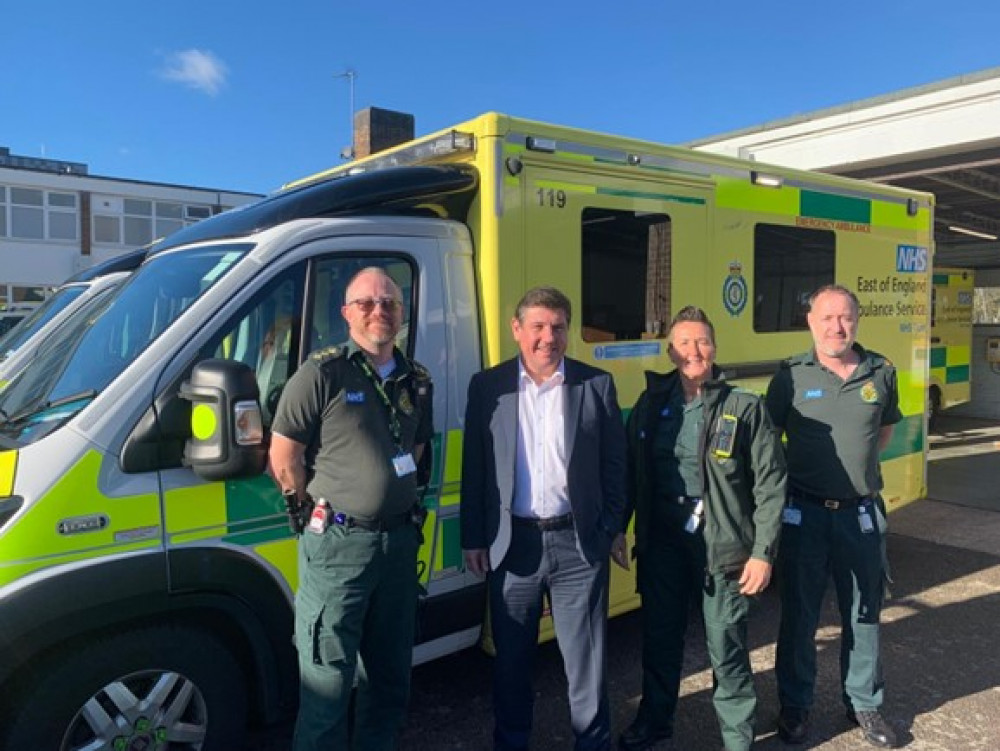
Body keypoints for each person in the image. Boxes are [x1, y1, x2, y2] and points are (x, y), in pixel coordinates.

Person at [269, 267, 433, 751]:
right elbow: (284, 457)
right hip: (338, 548)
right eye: (367, 303)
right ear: (346, 313)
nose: (379, 310)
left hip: (400, 545)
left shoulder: (417, 378)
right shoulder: (321, 374)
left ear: (401, 313)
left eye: (390, 303)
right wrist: (314, 514)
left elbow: (417, 449)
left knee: (389, 680)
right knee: (327, 686)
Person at [460, 285, 629, 751]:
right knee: (512, 666)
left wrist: (611, 527)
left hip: (578, 545)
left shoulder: (595, 384)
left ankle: (592, 745)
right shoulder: (487, 387)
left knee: (586, 668)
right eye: (537, 326)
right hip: (513, 546)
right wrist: (474, 537)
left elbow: (617, 464)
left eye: (557, 327)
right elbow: (476, 468)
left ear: (568, 332)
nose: (547, 337)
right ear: (517, 330)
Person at [618, 306, 786, 751]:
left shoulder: (744, 408)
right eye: (685, 342)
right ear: (671, 351)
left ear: (714, 348)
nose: (695, 351)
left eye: (703, 341)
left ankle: (737, 738)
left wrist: (763, 552)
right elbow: (631, 474)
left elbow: (771, 486)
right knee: (659, 637)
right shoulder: (652, 404)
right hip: (664, 544)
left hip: (723, 545)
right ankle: (655, 721)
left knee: (726, 645)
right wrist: (619, 527)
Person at [766, 284, 900, 748]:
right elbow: (771, 439)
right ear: (810, 322)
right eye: (826, 318)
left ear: (857, 321)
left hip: (859, 516)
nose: (836, 327)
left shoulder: (880, 371)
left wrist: (856, 475)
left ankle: (864, 702)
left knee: (863, 612)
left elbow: (882, 431)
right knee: (799, 617)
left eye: (845, 318)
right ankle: (796, 706)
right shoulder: (790, 375)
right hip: (803, 514)